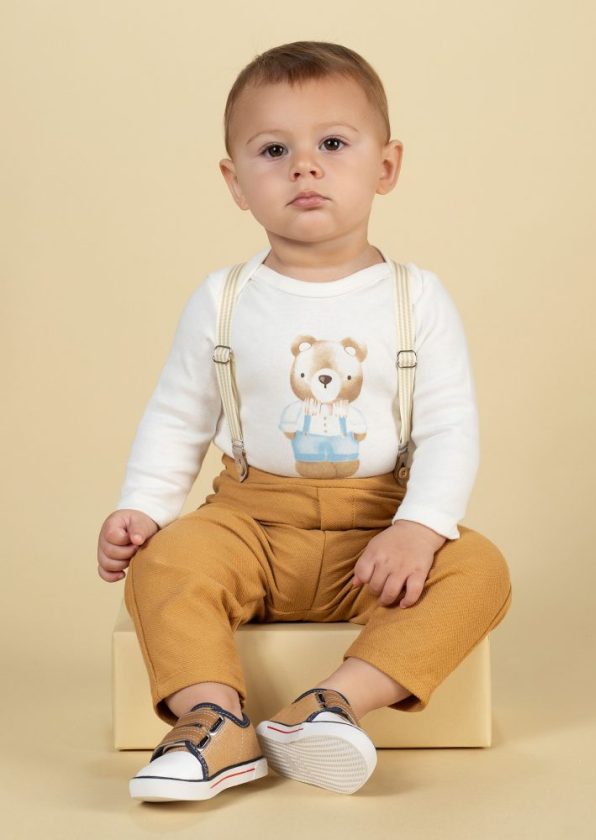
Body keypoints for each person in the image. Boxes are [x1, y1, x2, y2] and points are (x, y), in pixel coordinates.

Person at [97, 40, 512, 802]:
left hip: (376, 532)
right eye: (273, 150)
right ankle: (215, 722)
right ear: (235, 182)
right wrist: (143, 508)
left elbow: (450, 425)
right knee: (166, 563)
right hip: (251, 522)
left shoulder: (416, 297)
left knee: (478, 568)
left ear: (386, 166)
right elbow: (178, 415)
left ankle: (331, 705)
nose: (305, 168)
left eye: (333, 144)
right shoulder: (223, 298)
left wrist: (420, 528)